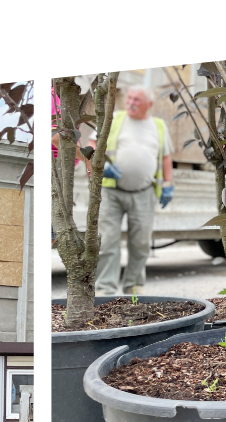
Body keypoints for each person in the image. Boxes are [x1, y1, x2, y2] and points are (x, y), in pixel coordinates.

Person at [87, 85, 174, 298]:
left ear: (149, 105)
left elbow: (165, 157)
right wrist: (99, 167)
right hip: (111, 191)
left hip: (144, 192)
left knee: (141, 242)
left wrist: (168, 184)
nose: (131, 102)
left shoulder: (158, 126)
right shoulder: (114, 118)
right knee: (107, 240)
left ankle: (134, 286)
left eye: (137, 99)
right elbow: (89, 145)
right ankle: (105, 288)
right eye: (130, 98)